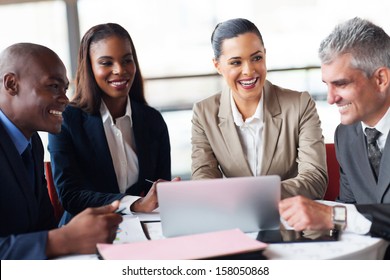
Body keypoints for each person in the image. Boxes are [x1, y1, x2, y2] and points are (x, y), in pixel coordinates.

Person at [0, 43, 122, 259]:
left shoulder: (32, 143)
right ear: (12, 84)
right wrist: (63, 239)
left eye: (65, 88)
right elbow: (52, 237)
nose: (65, 98)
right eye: (53, 86)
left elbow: (41, 225)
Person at [48, 23, 174, 225]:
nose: (120, 70)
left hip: (144, 226)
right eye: (106, 63)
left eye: (127, 60)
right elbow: (70, 196)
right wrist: (134, 204)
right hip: (85, 230)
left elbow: (160, 190)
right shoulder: (67, 120)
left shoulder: (152, 120)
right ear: (89, 67)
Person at [280, 18, 390, 241]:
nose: (331, 99)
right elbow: (346, 211)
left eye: (341, 84)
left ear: (380, 79)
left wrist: (333, 215)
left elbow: (342, 215)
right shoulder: (346, 135)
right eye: (326, 85)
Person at [191, 18, 327, 199]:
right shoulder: (204, 113)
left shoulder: (300, 105)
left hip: (288, 219)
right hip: (236, 219)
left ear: (265, 55)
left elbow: (315, 179)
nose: (248, 71)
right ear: (218, 65)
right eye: (236, 62)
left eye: (256, 58)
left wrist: (253, 196)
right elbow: (203, 178)